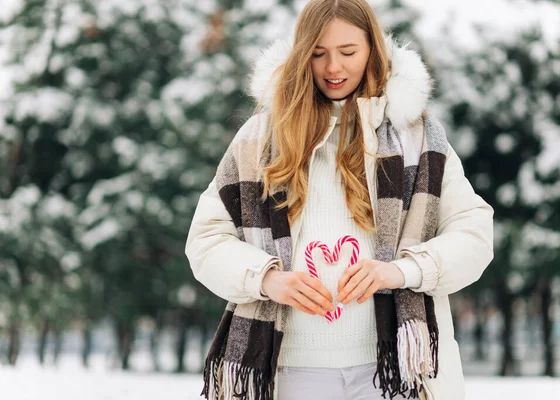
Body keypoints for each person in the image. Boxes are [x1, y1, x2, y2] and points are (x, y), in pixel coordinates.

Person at [185, 0, 493, 399]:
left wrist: (399, 272)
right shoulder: (259, 138)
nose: (333, 68)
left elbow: (474, 236)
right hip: (289, 368)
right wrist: (267, 279)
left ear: (372, 50)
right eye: (318, 53)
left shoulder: (417, 137)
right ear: (301, 55)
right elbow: (206, 241)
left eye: (348, 52)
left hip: (393, 370)